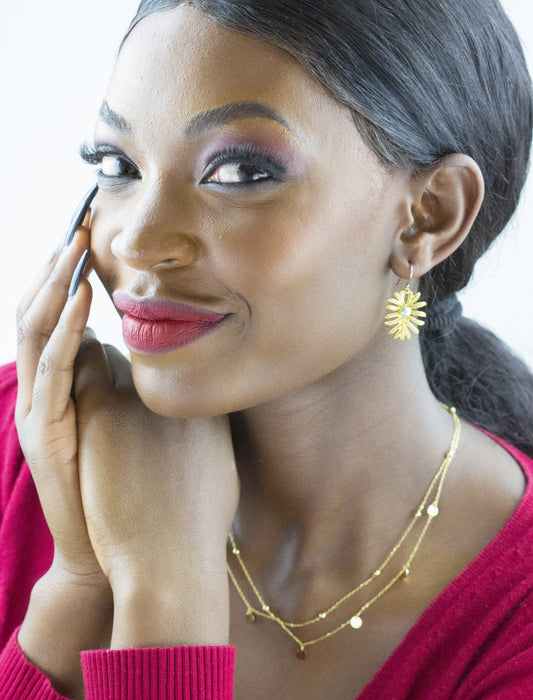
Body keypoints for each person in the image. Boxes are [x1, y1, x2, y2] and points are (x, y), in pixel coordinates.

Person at [1, 0, 533, 698]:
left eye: (241, 172)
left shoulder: (513, 630)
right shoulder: (23, 443)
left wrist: (166, 600)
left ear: (427, 215)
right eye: (116, 163)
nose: (136, 241)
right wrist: (78, 584)